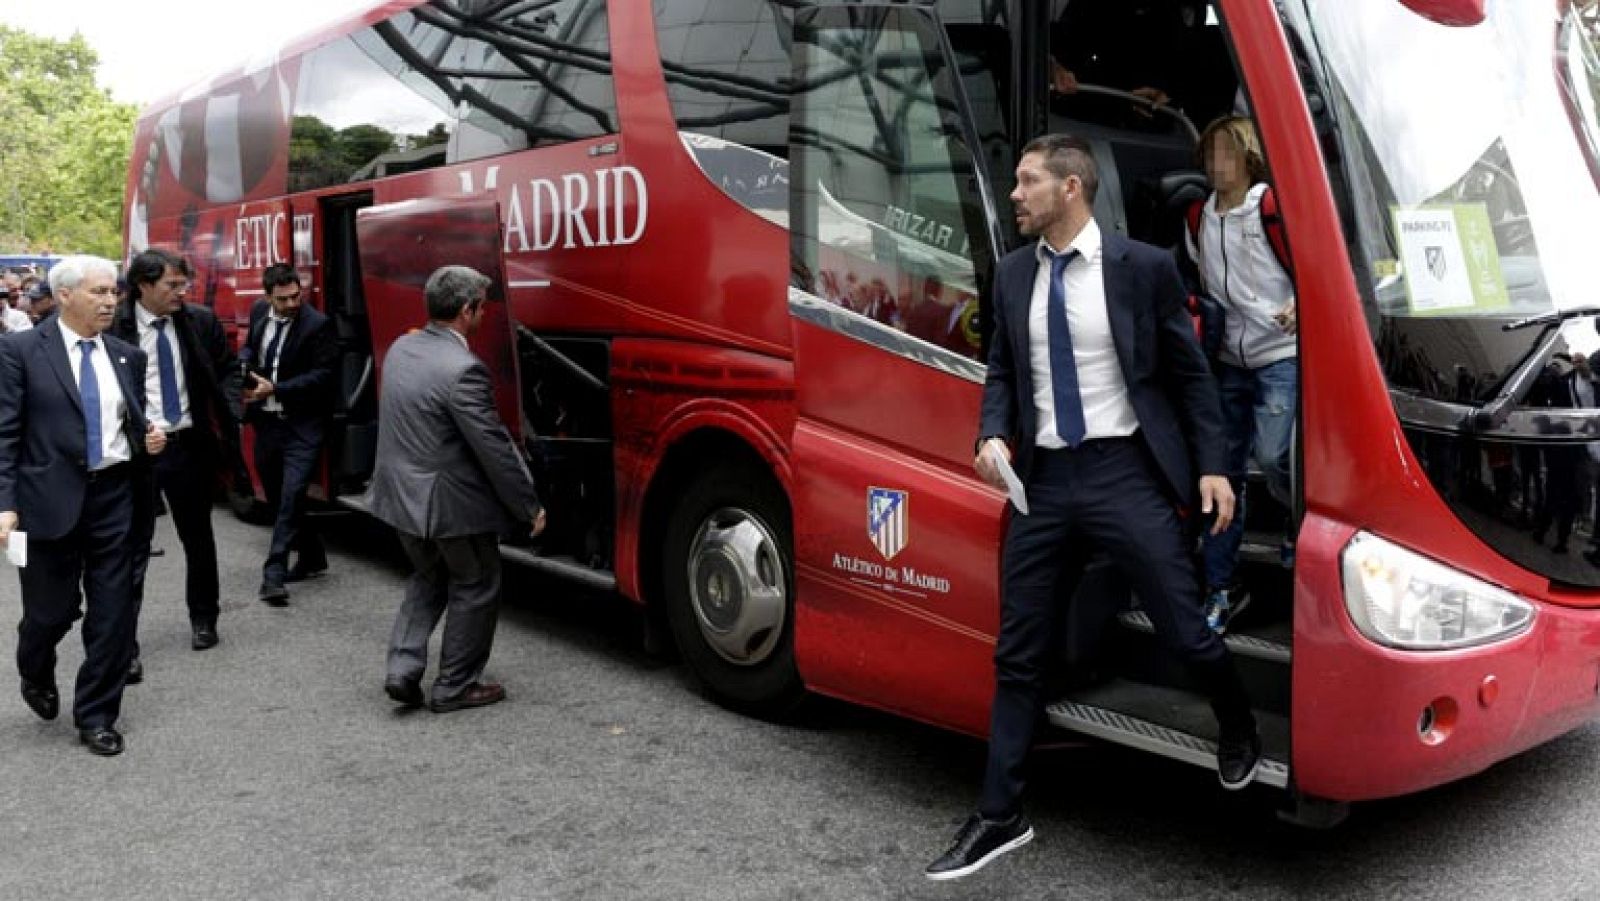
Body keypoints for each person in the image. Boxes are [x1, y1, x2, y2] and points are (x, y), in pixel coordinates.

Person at [925, 135, 1258, 881]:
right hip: (1044, 482)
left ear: (1071, 188)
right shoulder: (1014, 273)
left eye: (1028, 181)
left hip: (1122, 472)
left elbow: (1190, 375)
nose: (1015, 194)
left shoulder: (1144, 268)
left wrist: (1213, 466)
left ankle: (1237, 722)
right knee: (1017, 651)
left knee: (1184, 630)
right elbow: (1003, 370)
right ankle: (1000, 813)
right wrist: (990, 432)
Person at [0, 255, 168, 756]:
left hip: (115, 497)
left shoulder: (126, 356)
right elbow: (5, 434)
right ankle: (35, 666)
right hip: (46, 503)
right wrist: (5, 503)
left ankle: (96, 715)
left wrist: (149, 439)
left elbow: (132, 423)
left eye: (113, 291)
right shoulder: (20, 351)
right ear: (64, 295)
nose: (110, 301)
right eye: (98, 292)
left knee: (114, 614)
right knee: (50, 614)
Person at [366, 266, 545, 712]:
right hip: (448, 506)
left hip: (400, 496)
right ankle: (456, 685)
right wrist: (528, 506)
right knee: (476, 581)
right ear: (468, 310)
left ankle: (402, 669)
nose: (484, 314)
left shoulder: (402, 348)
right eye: (482, 307)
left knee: (428, 576)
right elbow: (493, 448)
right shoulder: (464, 370)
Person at [1184, 115, 1299, 633]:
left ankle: (1297, 520)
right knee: (1223, 474)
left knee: (1274, 456)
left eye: (1228, 153)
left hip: (1280, 353)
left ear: (1249, 158)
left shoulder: (1270, 208)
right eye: (1211, 153)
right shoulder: (1197, 217)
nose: (1218, 163)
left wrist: (1299, 303)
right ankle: (1221, 586)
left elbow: (1313, 267)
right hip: (1228, 358)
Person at [113, 249, 241, 672]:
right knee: (131, 547)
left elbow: (228, 369)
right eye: (172, 285)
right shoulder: (115, 327)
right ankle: (123, 645)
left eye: (184, 284)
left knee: (198, 537)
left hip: (188, 446)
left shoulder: (199, 321)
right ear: (143, 286)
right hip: (135, 453)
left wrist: (231, 409)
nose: (181, 292)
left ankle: (204, 618)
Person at [242, 263, 337, 605]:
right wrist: (244, 363)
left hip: (302, 425)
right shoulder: (258, 313)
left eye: (296, 296)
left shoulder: (317, 325)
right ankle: (312, 555)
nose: (292, 303)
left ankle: (274, 575)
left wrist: (277, 389)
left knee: (291, 495)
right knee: (276, 494)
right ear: (268, 296)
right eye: (283, 299)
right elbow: (251, 347)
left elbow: (324, 375)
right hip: (267, 423)